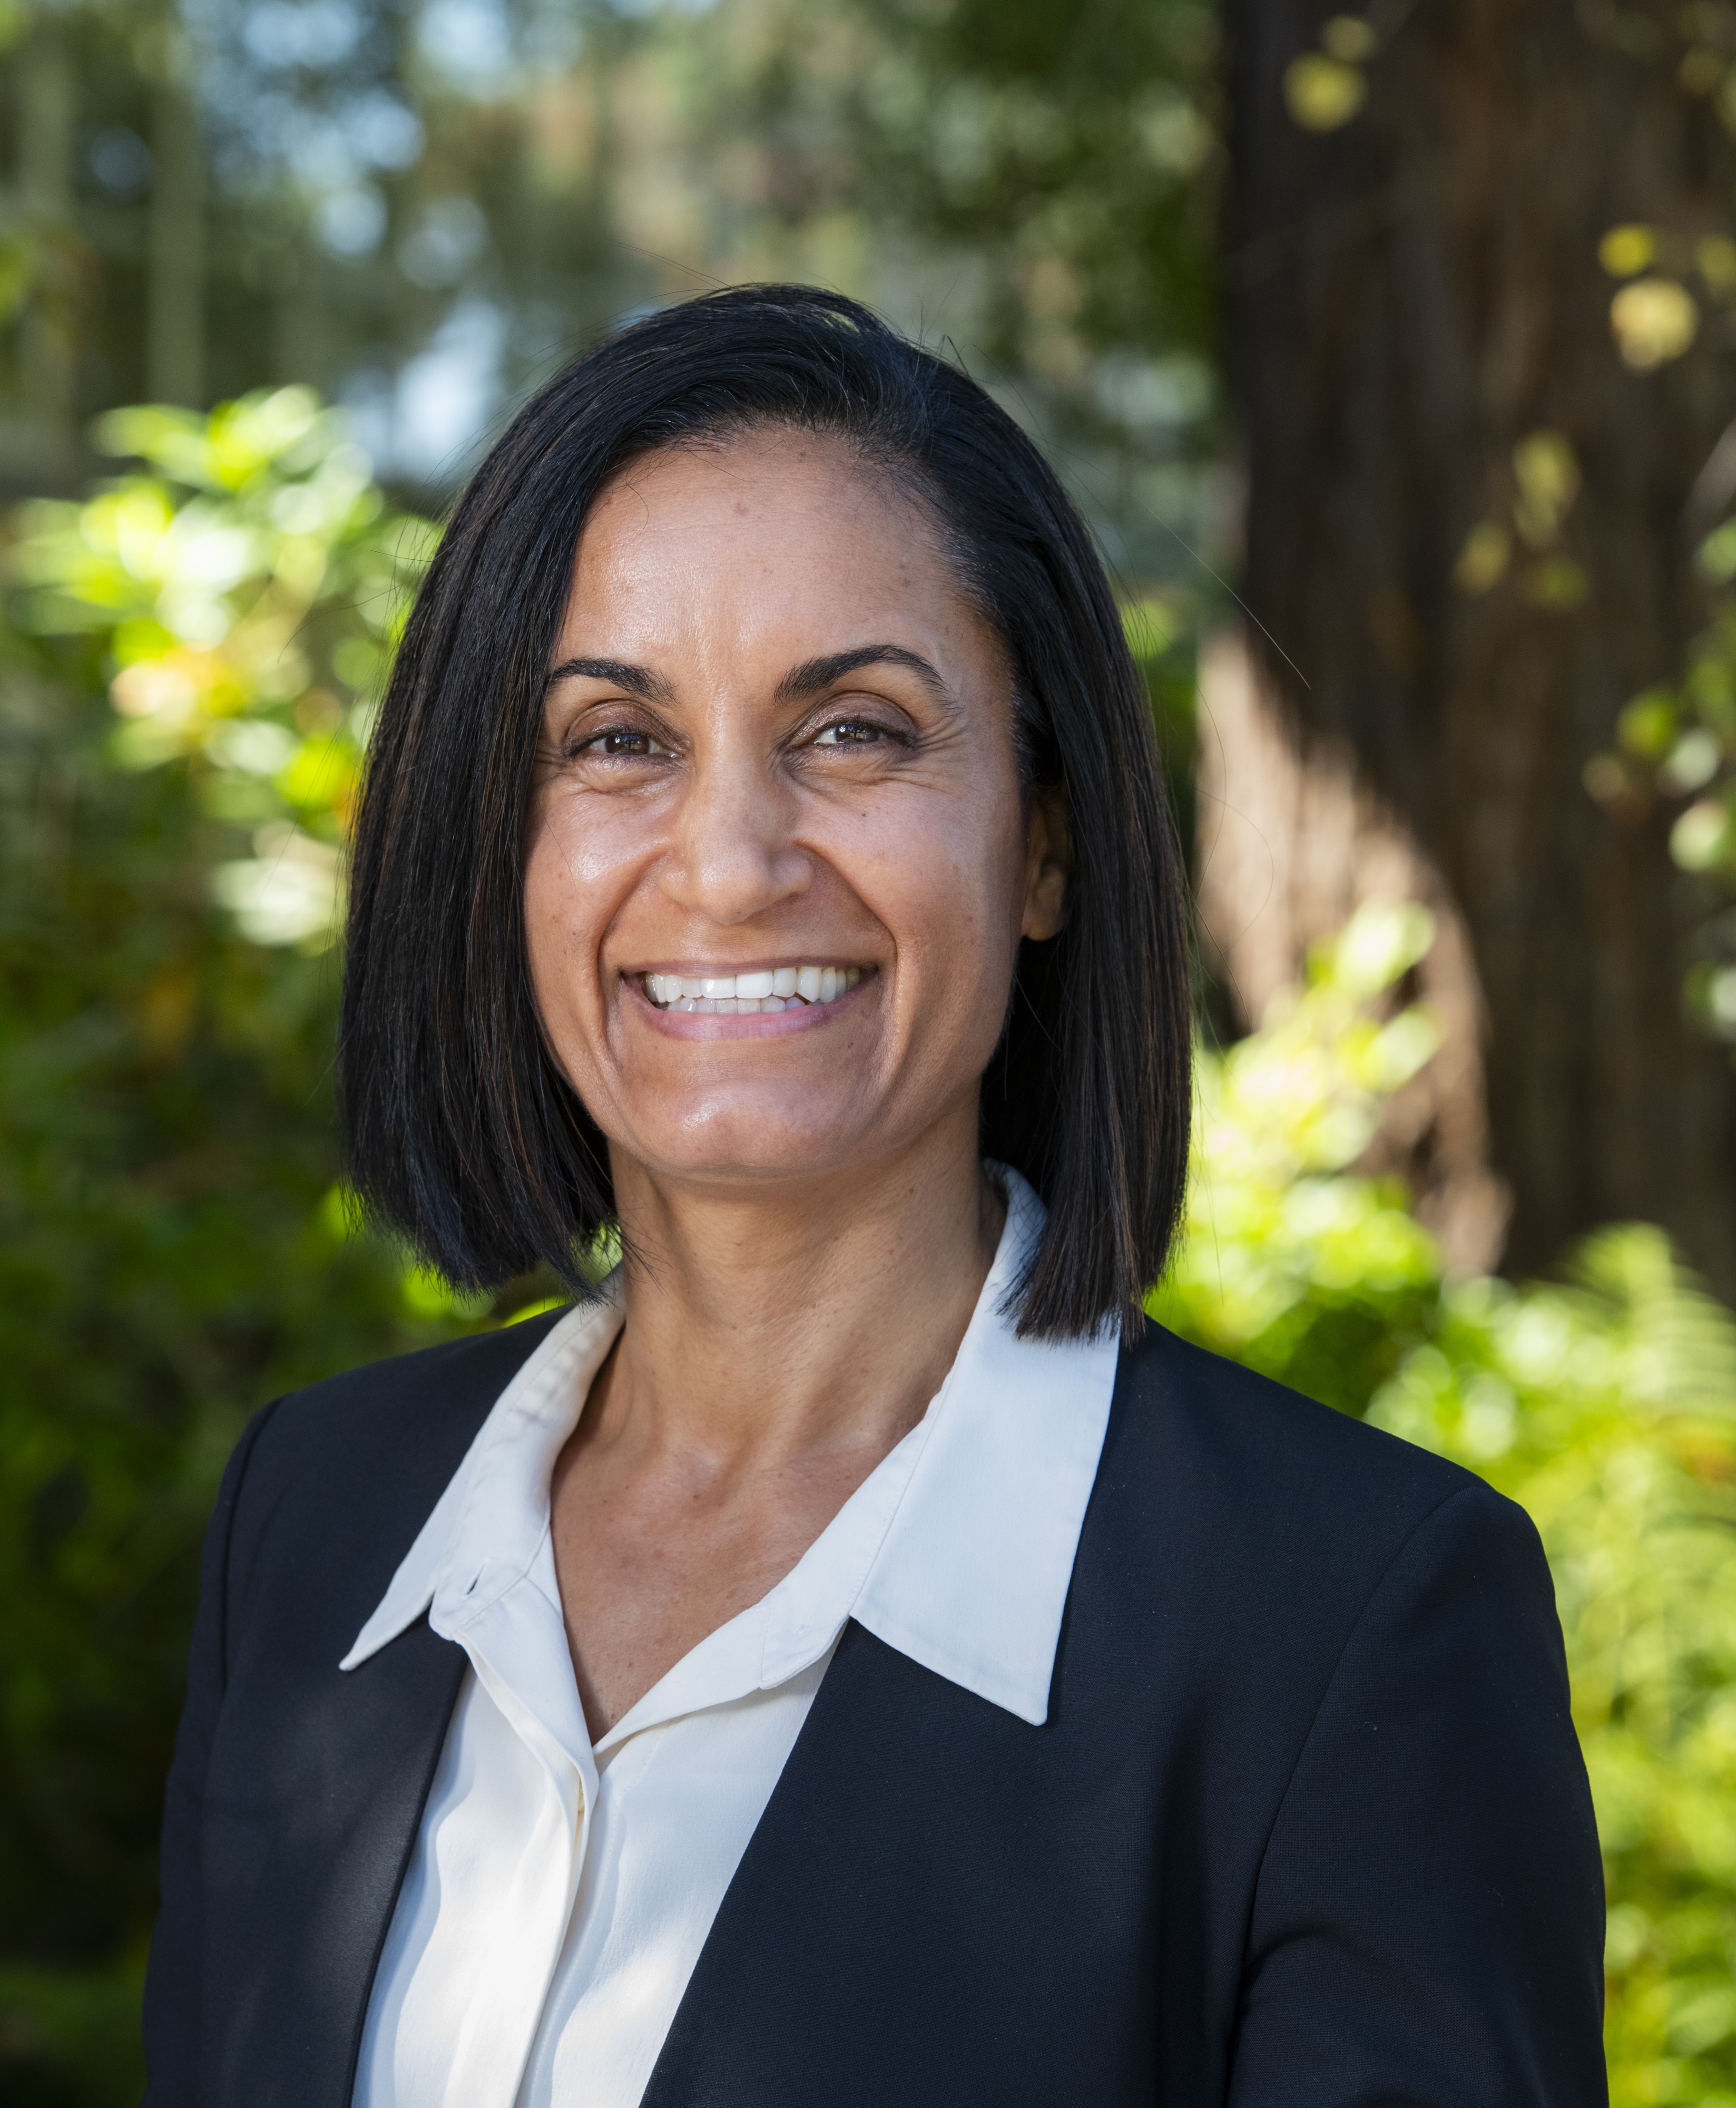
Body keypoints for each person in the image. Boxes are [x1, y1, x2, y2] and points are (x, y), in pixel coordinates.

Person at [140, 285, 1604, 2108]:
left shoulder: (1349, 1632)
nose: (732, 864)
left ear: (1046, 840)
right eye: (616, 740)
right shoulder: (322, 1519)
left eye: (854, 731)